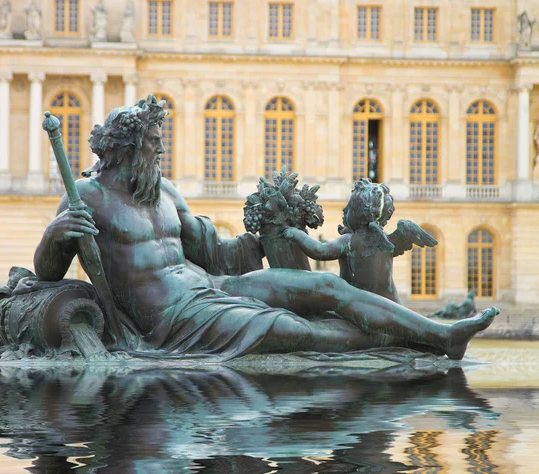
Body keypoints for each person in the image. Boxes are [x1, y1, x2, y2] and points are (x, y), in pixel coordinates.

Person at [34, 96, 498, 360]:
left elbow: (211, 248)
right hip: (173, 320)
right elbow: (48, 273)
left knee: (319, 285)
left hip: (213, 287)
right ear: (130, 147)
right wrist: (55, 235)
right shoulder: (89, 198)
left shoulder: (167, 191)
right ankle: (399, 340)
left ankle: (442, 335)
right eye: (154, 144)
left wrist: (265, 235)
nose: (160, 151)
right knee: (291, 329)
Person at [284, 178, 437, 304]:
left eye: (349, 208)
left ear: (361, 214)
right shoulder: (383, 240)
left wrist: (295, 233)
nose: (344, 211)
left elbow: (320, 250)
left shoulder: (349, 241)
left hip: (365, 309)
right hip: (391, 307)